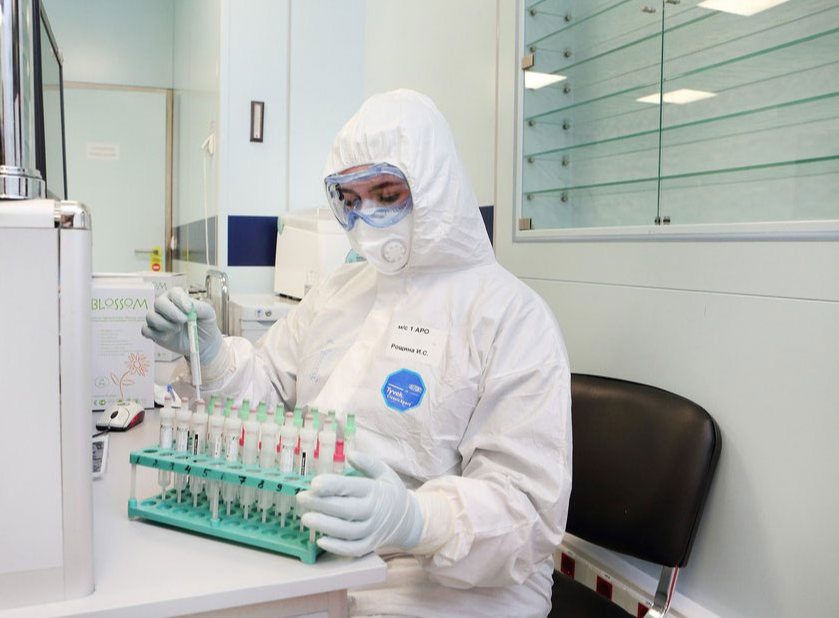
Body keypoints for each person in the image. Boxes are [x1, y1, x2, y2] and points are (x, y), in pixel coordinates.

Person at [143, 89, 572, 618]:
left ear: (434, 184)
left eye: (387, 193)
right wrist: (210, 356)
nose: (367, 214)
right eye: (351, 198)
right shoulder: (338, 291)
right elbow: (269, 393)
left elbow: (527, 512)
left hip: (442, 590)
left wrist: (415, 519)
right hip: (318, 551)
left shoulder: (511, 317)